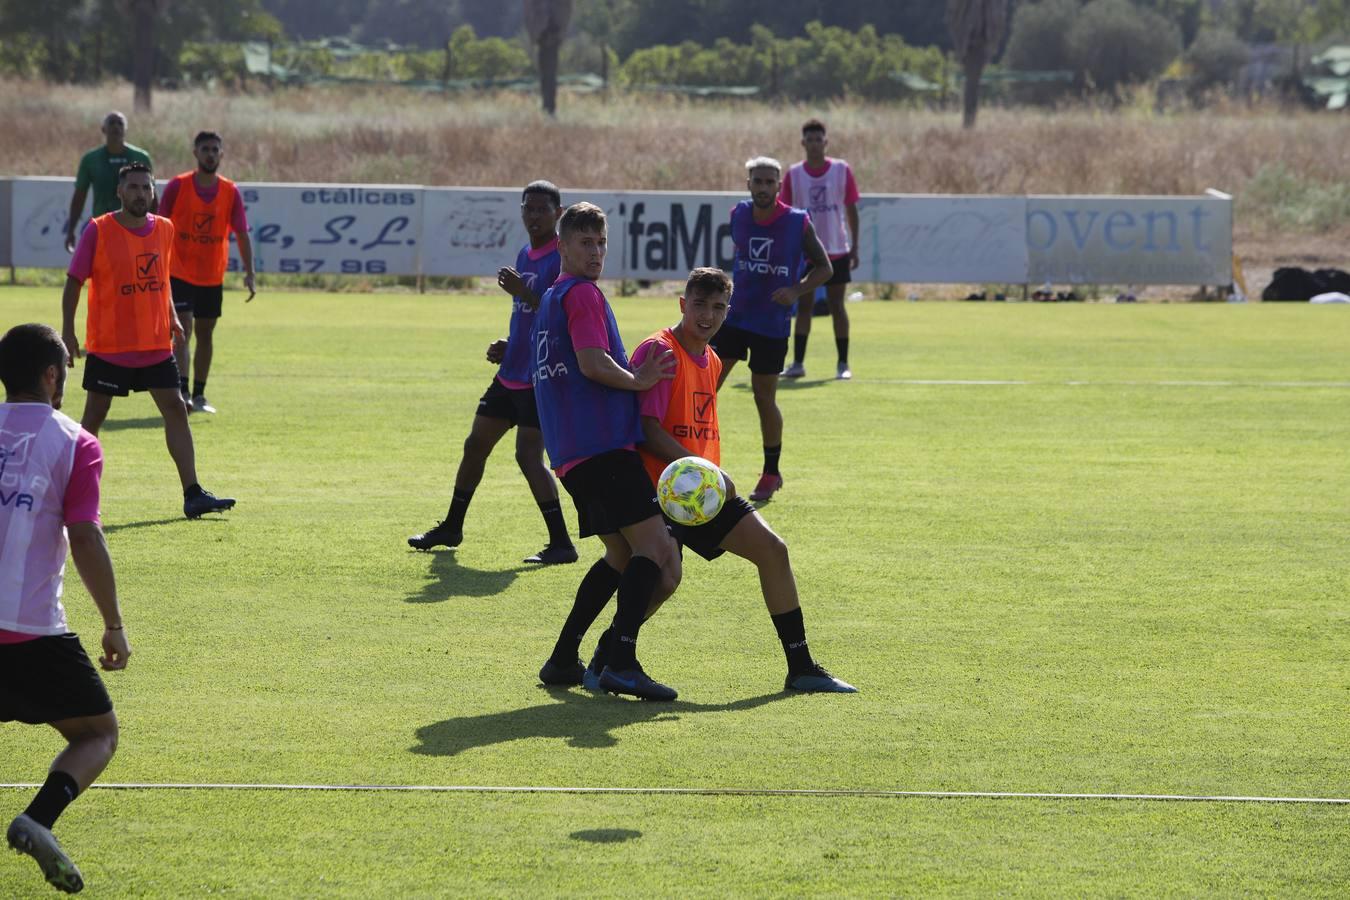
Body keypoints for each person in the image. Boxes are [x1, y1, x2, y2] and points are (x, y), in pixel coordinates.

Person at [585, 267, 856, 693]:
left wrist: (707, 474)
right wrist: (702, 466)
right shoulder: (660, 350)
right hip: (663, 491)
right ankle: (609, 655)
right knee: (666, 579)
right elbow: (647, 429)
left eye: (718, 307)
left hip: (704, 492)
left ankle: (801, 666)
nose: (707, 315)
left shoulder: (711, 359)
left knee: (773, 550)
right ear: (682, 304)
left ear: (728, 311)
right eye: (699, 304)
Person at [531, 201, 681, 701]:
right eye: (584, 243)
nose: (596, 253)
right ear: (562, 246)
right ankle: (620, 660)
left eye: (601, 244)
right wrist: (639, 379)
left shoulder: (551, 298)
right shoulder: (582, 295)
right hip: (602, 449)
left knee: (620, 554)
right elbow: (593, 363)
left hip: (571, 453)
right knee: (658, 553)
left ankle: (563, 656)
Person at [0, 323, 131, 895]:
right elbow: (85, 538)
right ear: (52, 375)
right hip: (30, 632)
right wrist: (114, 624)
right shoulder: (76, 441)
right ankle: (37, 819)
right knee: (98, 733)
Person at [408, 181, 578, 565]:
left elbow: (557, 311)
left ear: (558, 213)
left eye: (541, 209)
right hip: (511, 371)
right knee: (475, 445)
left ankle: (562, 544)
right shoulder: (525, 252)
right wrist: (509, 343)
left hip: (539, 377)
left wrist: (522, 291)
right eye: (527, 208)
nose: (533, 216)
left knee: (528, 457)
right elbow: (527, 316)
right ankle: (452, 526)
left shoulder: (560, 257)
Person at [60, 162, 236, 520]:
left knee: (175, 408)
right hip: (111, 345)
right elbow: (74, 281)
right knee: (95, 415)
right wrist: (67, 329)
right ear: (120, 192)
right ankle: (65, 490)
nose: (140, 193)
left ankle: (193, 493)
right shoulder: (99, 229)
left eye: (146, 188)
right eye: (133, 187)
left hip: (155, 344)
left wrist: (170, 316)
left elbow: (161, 279)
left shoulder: (165, 229)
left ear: (153, 193)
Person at [709, 157, 831, 503]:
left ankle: (771, 471)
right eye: (757, 181)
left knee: (764, 398)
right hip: (733, 318)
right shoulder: (738, 215)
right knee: (704, 388)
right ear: (748, 183)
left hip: (771, 323)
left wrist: (795, 291)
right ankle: (693, 460)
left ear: (779, 186)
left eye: (769, 182)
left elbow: (824, 269)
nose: (763, 187)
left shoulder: (797, 222)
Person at [159, 131, 257, 414]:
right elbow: (160, 226)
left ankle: (200, 395)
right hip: (179, 272)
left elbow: (241, 232)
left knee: (205, 332)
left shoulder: (230, 191)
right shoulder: (178, 186)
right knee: (183, 329)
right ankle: (183, 392)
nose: (210, 154)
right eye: (205, 149)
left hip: (211, 276)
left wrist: (250, 272)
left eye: (215, 149)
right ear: (195, 153)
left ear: (221, 155)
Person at [780, 118, 861, 381]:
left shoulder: (841, 170)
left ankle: (842, 363)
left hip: (836, 250)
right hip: (806, 253)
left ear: (826, 142)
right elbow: (785, 213)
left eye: (819, 140)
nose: (815, 145)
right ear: (803, 143)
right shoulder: (794, 174)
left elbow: (851, 210)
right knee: (803, 306)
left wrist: (855, 246)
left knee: (837, 305)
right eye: (810, 140)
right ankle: (798, 363)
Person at [63, 111, 154, 255]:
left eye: (120, 123)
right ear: (103, 129)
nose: (116, 127)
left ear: (126, 129)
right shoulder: (90, 159)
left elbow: (152, 195)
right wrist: (71, 230)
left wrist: (153, 230)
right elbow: (79, 196)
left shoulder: (141, 157)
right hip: (103, 228)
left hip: (135, 229)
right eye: (111, 123)